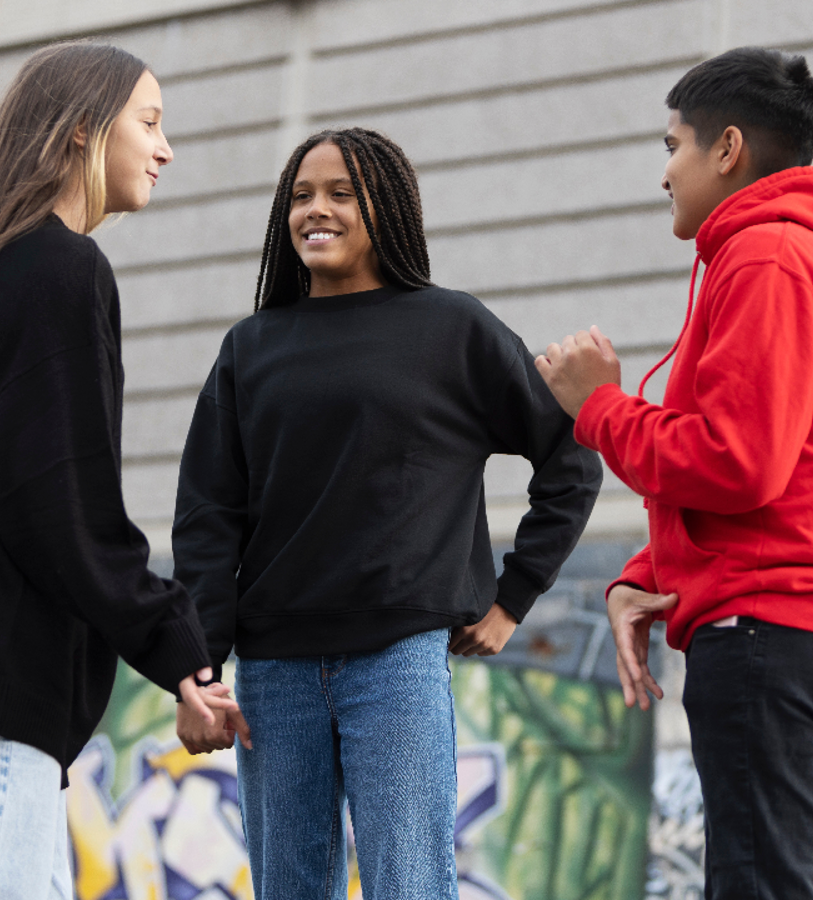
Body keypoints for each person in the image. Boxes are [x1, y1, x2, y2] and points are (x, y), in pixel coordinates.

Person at [173, 126, 602, 900]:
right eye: (301, 196)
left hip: (397, 659)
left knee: (409, 885)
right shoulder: (251, 348)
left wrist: (513, 598)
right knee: (290, 890)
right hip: (274, 671)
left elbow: (571, 457)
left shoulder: (452, 328)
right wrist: (201, 667)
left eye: (341, 193)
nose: (317, 209)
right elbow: (208, 517)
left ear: (388, 209)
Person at [0, 41, 247, 900]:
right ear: (81, 134)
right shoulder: (60, 271)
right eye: (150, 123)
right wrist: (181, 650)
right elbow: (61, 504)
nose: (165, 149)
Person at [535, 47, 813, 900]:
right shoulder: (776, 255)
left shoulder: (764, 257)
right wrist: (645, 576)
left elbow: (740, 460)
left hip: (765, 636)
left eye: (672, 146)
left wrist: (599, 407)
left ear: (727, 148)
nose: (664, 173)